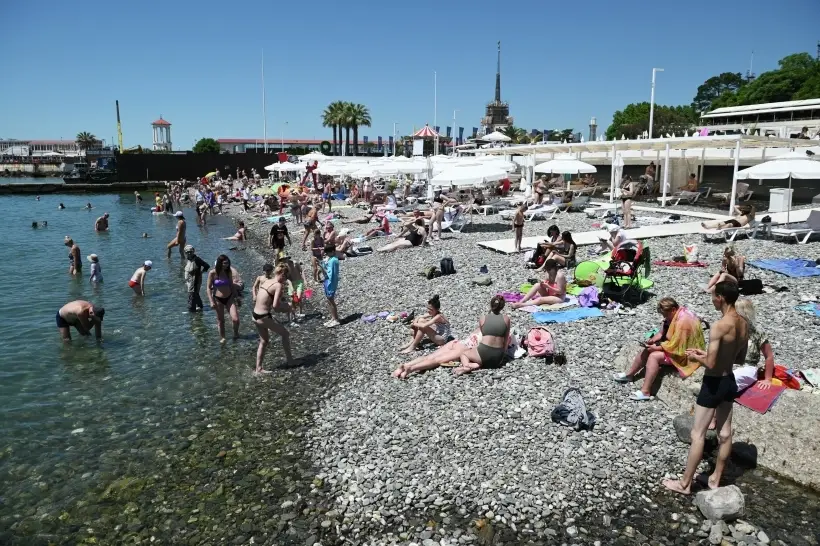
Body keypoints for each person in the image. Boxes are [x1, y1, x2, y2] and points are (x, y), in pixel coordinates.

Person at [663, 281, 748, 495]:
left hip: (713, 383)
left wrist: (695, 357)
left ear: (720, 298)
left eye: (713, 296)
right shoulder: (743, 323)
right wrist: (705, 355)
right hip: (729, 380)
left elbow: (711, 365)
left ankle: (684, 484)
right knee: (725, 434)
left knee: (697, 434)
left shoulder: (720, 325)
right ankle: (715, 479)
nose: (711, 300)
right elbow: (739, 357)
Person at [613, 298, 682, 399]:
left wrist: (657, 348)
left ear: (673, 310)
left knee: (654, 356)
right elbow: (660, 333)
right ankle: (630, 374)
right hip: (668, 346)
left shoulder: (681, 323)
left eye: (665, 315)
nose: (664, 317)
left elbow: (675, 345)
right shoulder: (669, 319)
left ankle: (645, 391)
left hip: (680, 352)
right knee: (647, 350)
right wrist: (652, 340)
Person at [251, 263, 296, 373]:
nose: (285, 280)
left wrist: (284, 303)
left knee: (264, 341)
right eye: (286, 277)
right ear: (282, 274)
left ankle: (258, 368)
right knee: (285, 334)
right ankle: (290, 361)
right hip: (263, 317)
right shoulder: (278, 285)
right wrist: (288, 307)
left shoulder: (267, 281)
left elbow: (269, 300)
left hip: (255, 315)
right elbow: (276, 307)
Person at [454, 295, 511, 375]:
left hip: (484, 353)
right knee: (485, 358)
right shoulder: (506, 319)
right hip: (498, 359)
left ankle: (468, 366)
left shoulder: (483, 318)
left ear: (490, 305)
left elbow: (483, 335)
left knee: (463, 354)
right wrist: (502, 354)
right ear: (502, 307)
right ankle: (478, 364)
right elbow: (506, 340)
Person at [393, 329, 483, 379]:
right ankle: (411, 369)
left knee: (430, 356)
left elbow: (471, 335)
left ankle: (406, 365)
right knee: (436, 360)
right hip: (463, 349)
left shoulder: (481, 325)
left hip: (457, 342)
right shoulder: (491, 334)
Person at [733, 298, 775, 389]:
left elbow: (769, 356)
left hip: (748, 367)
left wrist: (768, 379)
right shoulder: (729, 330)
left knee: (732, 380)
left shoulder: (757, 333)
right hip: (729, 365)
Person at [208, 255, 241, 342]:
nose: (226, 265)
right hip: (218, 299)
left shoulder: (228, 272)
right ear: (220, 263)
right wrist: (211, 301)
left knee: (235, 319)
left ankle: (236, 333)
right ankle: (223, 337)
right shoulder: (212, 273)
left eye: (227, 263)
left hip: (229, 297)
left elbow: (231, 285)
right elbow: (208, 288)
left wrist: (237, 297)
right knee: (221, 321)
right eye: (224, 263)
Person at [316, 242, 340, 328]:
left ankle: (336, 319)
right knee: (328, 300)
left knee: (331, 300)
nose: (327, 255)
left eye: (328, 253)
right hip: (327, 281)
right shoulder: (331, 259)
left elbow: (329, 274)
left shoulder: (333, 260)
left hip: (330, 282)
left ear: (333, 251)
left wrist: (321, 266)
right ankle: (333, 318)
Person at [183, 245, 210, 312]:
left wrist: (201, 272)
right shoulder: (188, 259)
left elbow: (206, 266)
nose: (189, 253)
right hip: (189, 281)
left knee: (192, 295)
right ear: (185, 253)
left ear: (193, 251)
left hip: (195, 280)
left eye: (190, 252)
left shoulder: (197, 259)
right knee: (195, 294)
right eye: (187, 252)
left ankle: (191, 311)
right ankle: (200, 307)